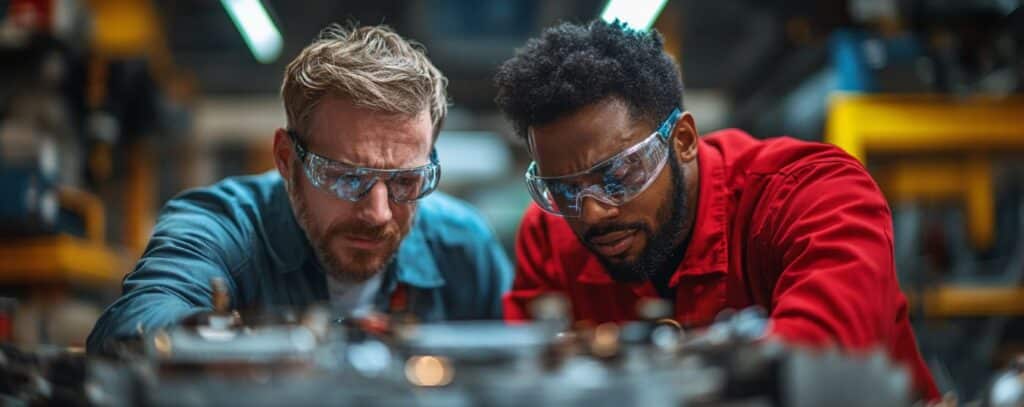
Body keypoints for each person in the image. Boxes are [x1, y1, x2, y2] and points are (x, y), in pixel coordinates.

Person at [494, 20, 940, 400]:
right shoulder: (550, 236)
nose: (591, 213)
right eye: (564, 190)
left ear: (683, 140)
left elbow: (819, 360)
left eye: (619, 175)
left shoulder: (814, 195)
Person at [88, 24, 512, 352]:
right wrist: (239, 343)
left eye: (405, 181)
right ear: (287, 161)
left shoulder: (462, 247)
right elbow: (131, 327)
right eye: (347, 177)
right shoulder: (220, 227)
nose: (379, 213)